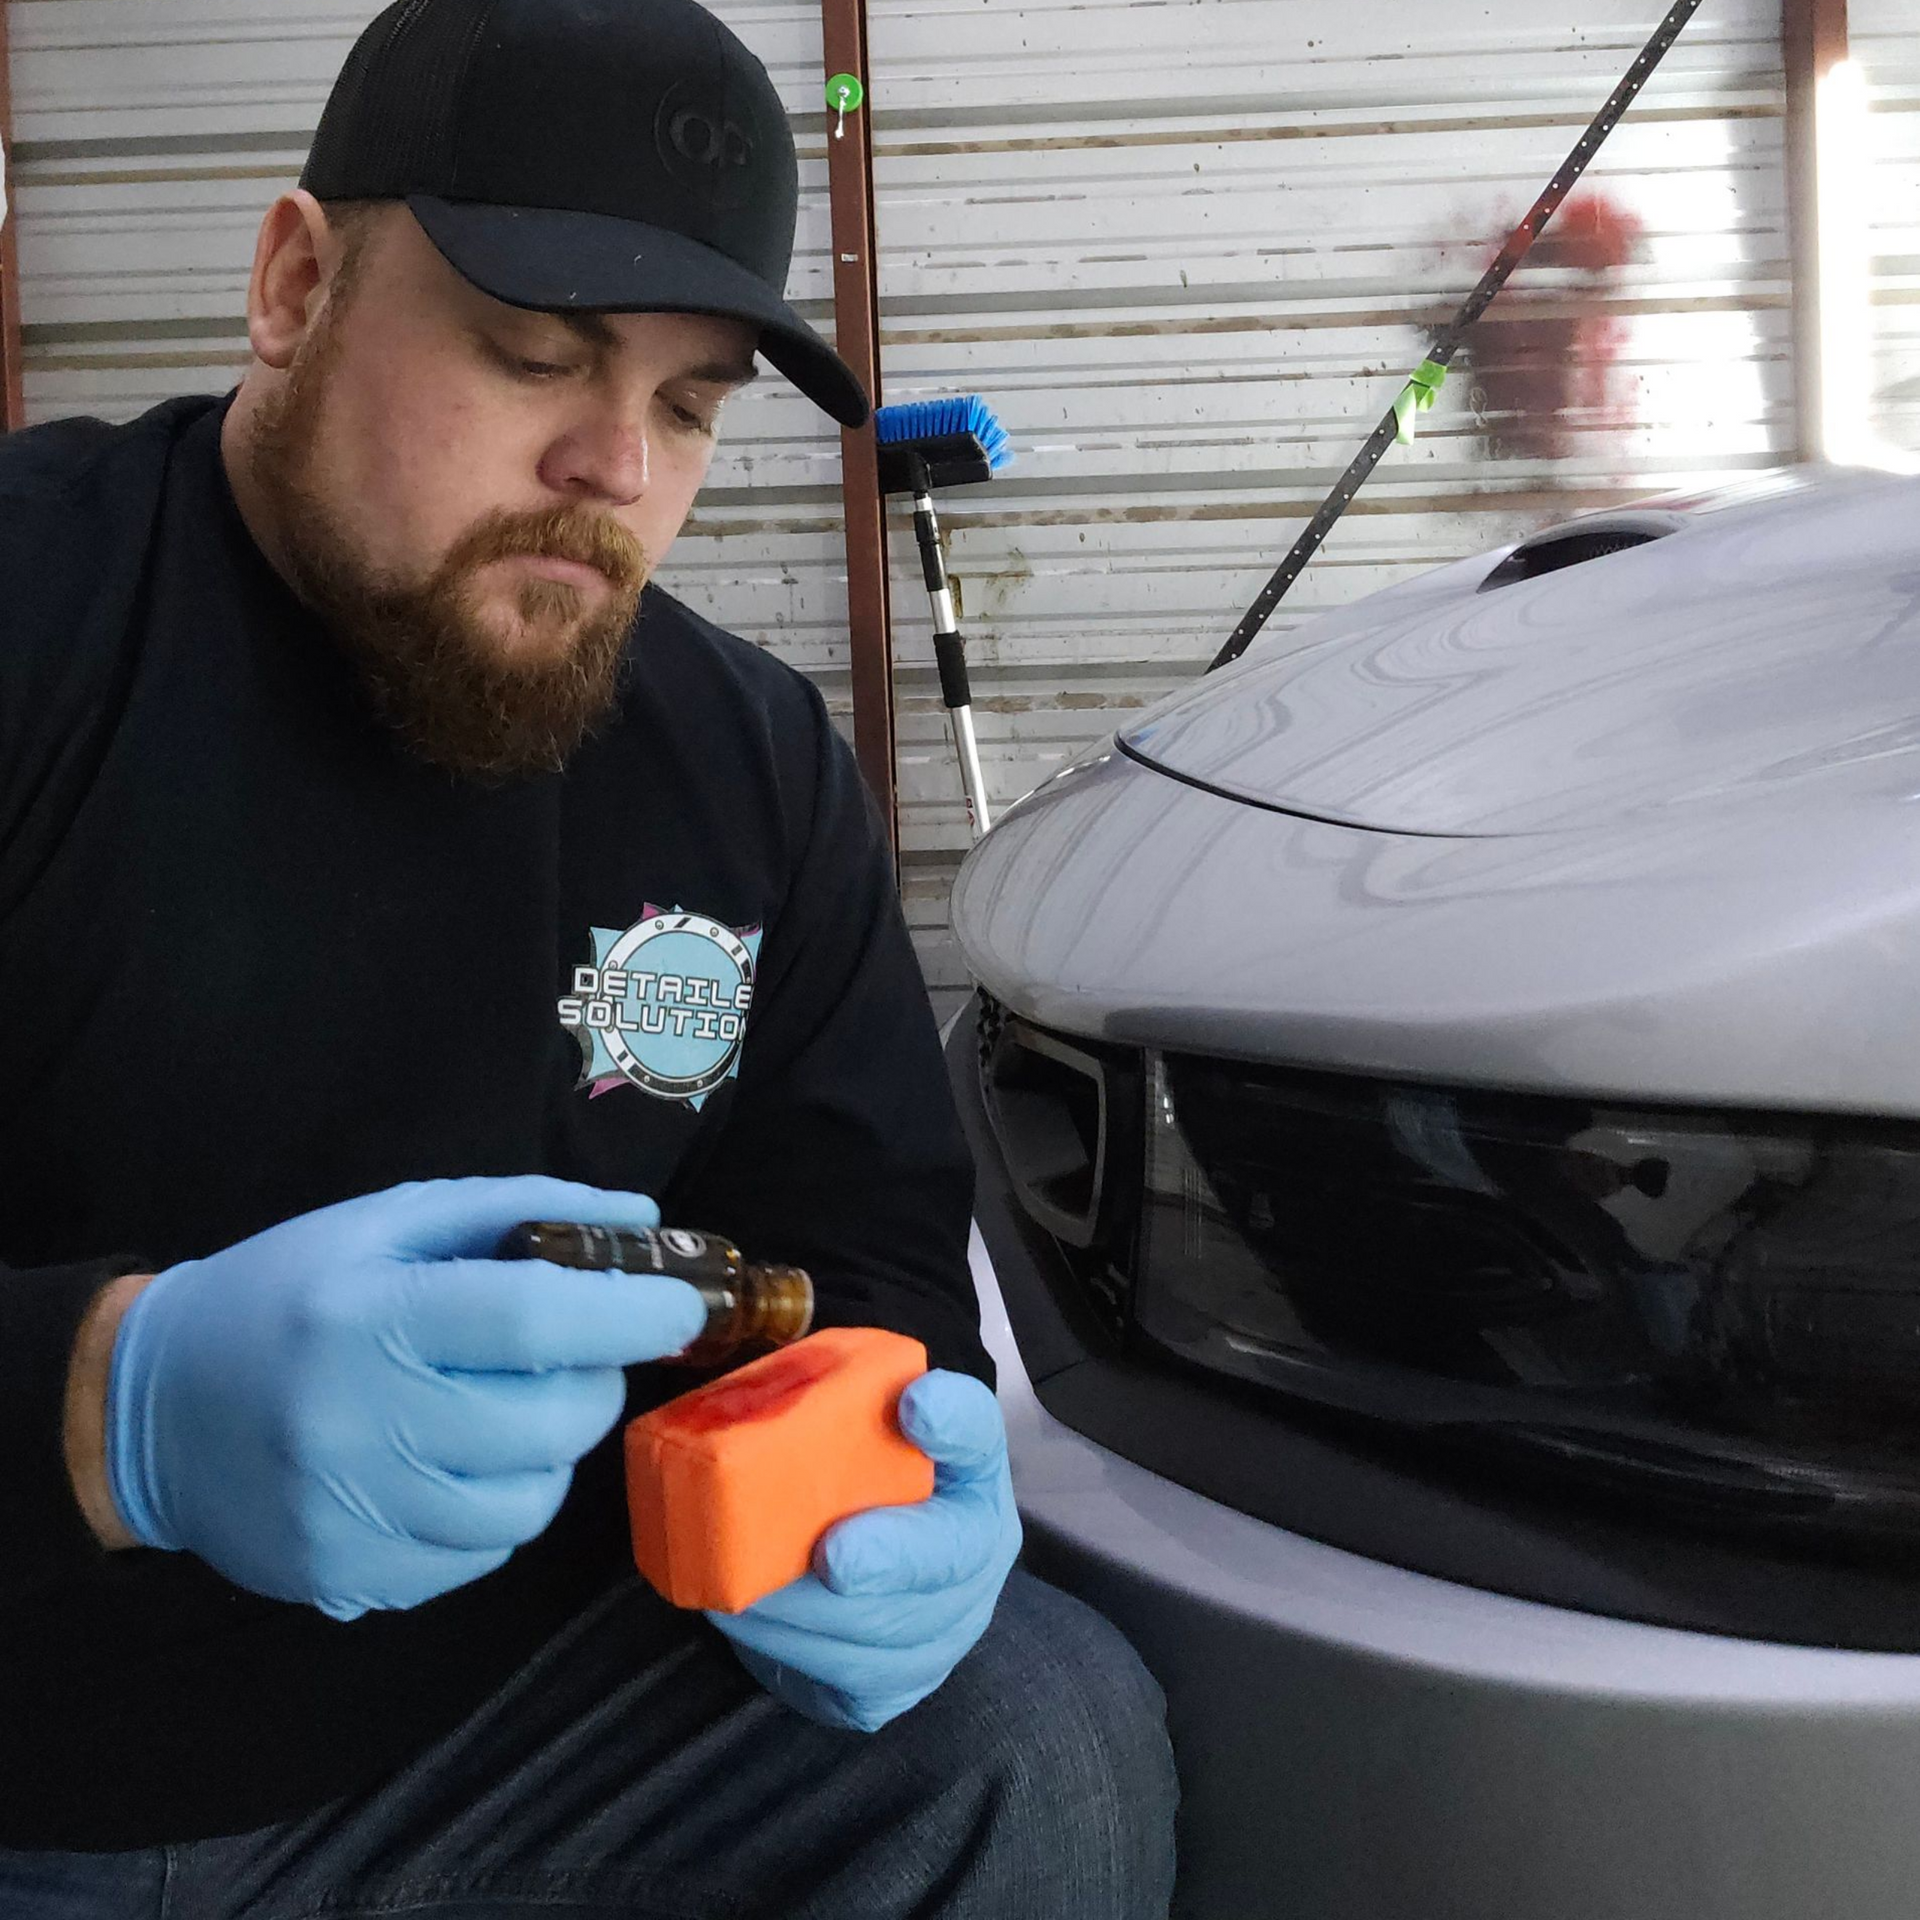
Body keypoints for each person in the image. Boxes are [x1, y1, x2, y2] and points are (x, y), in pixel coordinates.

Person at [0, 0, 1179, 1912]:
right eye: (532, 354)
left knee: (1028, 1729)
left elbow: (865, 1249)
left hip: (492, 1761)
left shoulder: (746, 766)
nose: (617, 467)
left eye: (692, 404)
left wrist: (876, 1465)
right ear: (296, 285)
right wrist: (99, 1403)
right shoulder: (42, 621)